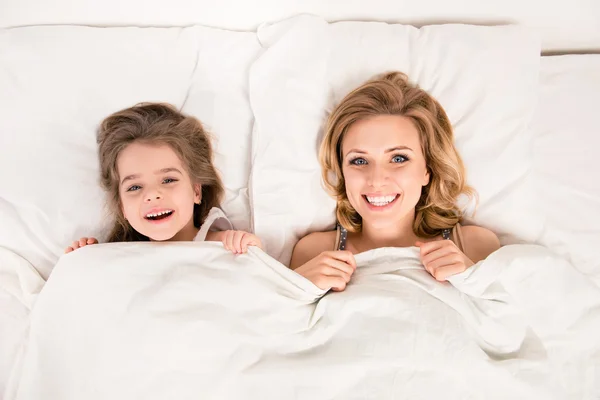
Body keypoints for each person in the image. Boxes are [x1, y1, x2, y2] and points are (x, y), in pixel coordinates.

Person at [290, 71, 500, 291]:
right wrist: (291, 286)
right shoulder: (314, 251)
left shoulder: (474, 245)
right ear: (342, 172)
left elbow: (513, 318)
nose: (377, 180)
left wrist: (472, 279)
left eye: (398, 158)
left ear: (428, 169)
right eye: (359, 160)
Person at [65, 102, 261, 255]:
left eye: (168, 180)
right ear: (122, 207)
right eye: (134, 187)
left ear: (196, 190)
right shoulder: (118, 257)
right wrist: (86, 261)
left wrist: (249, 248)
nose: (151, 194)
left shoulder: (222, 245)